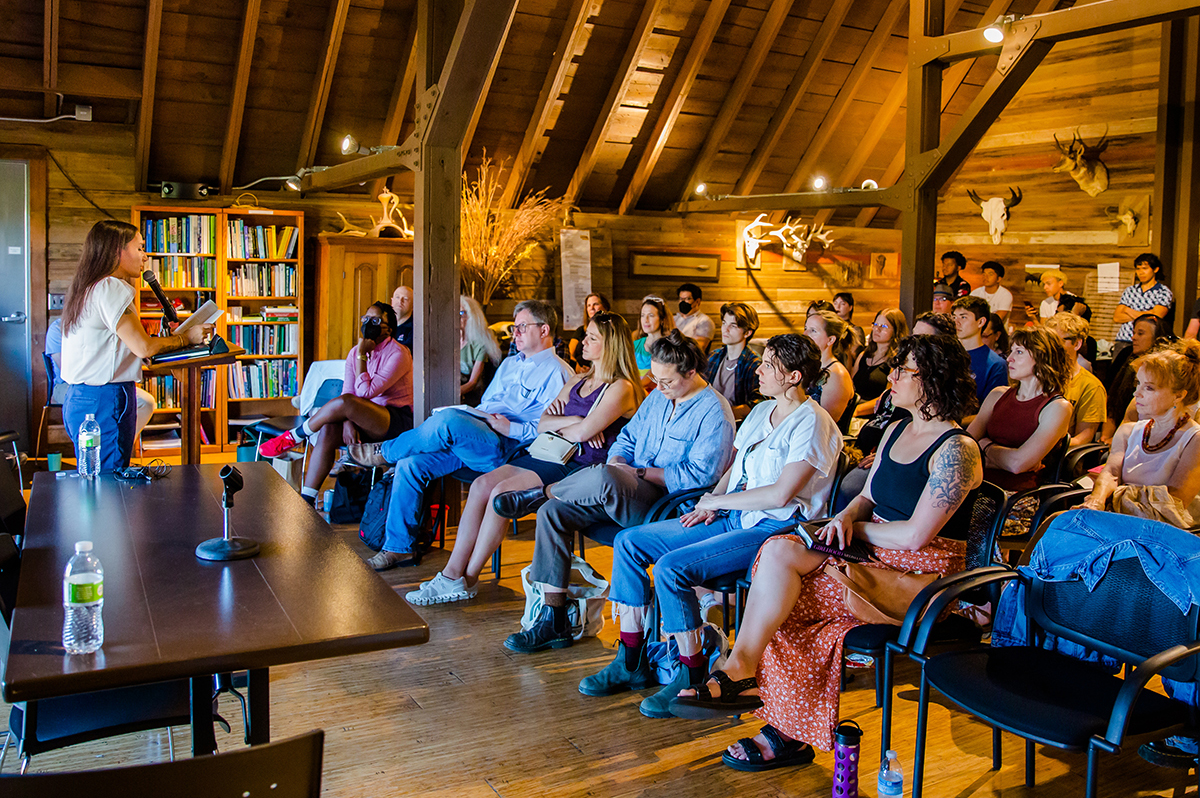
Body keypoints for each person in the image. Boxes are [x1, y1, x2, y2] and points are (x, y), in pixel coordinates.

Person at [670, 334, 982, 771]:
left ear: (931, 381)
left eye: (902, 370)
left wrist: (854, 529)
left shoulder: (957, 450)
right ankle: (745, 670)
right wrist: (846, 517)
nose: (890, 377)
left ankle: (779, 721)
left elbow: (914, 537)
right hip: (870, 553)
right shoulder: (896, 429)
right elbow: (867, 498)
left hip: (920, 576)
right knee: (777, 552)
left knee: (789, 602)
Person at [576, 334, 842, 717]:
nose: (760, 370)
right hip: (734, 516)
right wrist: (710, 502)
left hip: (775, 531)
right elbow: (737, 469)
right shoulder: (760, 411)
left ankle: (691, 672)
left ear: (795, 376)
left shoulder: (813, 422)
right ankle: (631, 659)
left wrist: (719, 501)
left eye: (768, 365)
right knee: (629, 542)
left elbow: (781, 494)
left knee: (671, 569)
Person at [500, 331, 735, 653]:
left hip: (668, 506)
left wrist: (634, 471)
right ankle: (553, 617)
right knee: (553, 513)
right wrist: (619, 459)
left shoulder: (714, 412)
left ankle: (545, 490)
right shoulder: (657, 398)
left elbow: (698, 476)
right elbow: (626, 437)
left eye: (666, 381)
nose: (659, 387)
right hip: (623, 488)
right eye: (656, 378)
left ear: (692, 373)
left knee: (608, 478)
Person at [405, 312, 644, 605]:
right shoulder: (580, 379)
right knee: (481, 485)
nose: (584, 341)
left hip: (579, 467)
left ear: (611, 345)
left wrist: (578, 425)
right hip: (549, 451)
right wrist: (579, 419)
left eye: (592, 338)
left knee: (500, 492)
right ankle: (453, 574)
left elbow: (583, 434)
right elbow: (544, 423)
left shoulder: (622, 387)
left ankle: (467, 577)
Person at [350, 299, 575, 570]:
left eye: (522, 327)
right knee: (411, 465)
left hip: (509, 448)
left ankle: (383, 452)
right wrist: (474, 415)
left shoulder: (558, 372)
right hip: (477, 436)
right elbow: (487, 404)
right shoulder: (510, 364)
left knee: (447, 420)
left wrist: (510, 428)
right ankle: (398, 548)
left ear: (544, 330)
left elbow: (552, 428)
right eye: (514, 327)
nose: (514, 333)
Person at [59, 220, 213, 471]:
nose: (145, 256)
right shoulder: (111, 287)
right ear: (116, 251)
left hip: (82, 398)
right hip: (106, 400)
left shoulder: (88, 287)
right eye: (139, 248)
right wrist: (188, 338)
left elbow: (118, 347)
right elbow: (143, 348)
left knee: (99, 479)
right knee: (109, 484)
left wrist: (165, 341)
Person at [259, 301, 414, 504]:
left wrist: (362, 356)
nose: (368, 323)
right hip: (362, 416)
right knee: (329, 428)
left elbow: (365, 392)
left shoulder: (398, 353)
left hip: (394, 419)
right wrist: (347, 423)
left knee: (347, 404)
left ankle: (297, 435)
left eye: (375, 320)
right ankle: (307, 500)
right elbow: (347, 393)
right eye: (365, 319)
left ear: (389, 328)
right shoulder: (354, 352)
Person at [1083, 341, 1200, 525]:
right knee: (1056, 523)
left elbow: (1176, 501)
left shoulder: (1194, 438)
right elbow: (1111, 472)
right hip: (1121, 519)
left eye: (1149, 387)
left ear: (1178, 395)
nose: (1136, 394)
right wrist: (1096, 500)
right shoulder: (1129, 431)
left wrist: (1115, 496)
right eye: (1138, 384)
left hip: (1165, 532)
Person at [968, 327, 1072, 492]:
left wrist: (984, 445)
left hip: (1016, 496)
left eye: (1019, 352)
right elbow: (964, 447)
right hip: (974, 484)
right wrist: (1004, 458)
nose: (1009, 359)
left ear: (1041, 357)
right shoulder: (998, 395)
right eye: (1011, 351)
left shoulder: (1057, 407)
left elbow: (1017, 464)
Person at [1044, 312, 1106, 447]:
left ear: (1077, 344)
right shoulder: (1038, 375)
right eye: (1048, 340)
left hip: (1058, 457)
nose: (1051, 346)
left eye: (1057, 341)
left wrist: (1043, 445)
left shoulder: (1091, 386)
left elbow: (1083, 438)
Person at [1104, 314, 1169, 443]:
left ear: (1157, 338)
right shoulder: (1125, 356)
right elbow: (1112, 401)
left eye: (1140, 333)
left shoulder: (1163, 370)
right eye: (1133, 333)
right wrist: (1106, 436)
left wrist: (1117, 439)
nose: (1133, 337)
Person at [706, 302, 763, 420]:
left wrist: (722, 414)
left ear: (747, 332)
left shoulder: (754, 364)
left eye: (733, 326)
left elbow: (760, 404)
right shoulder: (714, 356)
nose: (725, 329)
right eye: (724, 323)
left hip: (736, 425)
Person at [951, 296, 1009, 405]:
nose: (956, 322)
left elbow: (991, 410)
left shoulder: (995, 364)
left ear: (981, 322)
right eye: (954, 317)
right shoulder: (945, 354)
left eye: (963, 317)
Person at [803, 310, 855, 430]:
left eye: (813, 331)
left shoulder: (837, 374)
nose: (805, 334)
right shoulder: (811, 366)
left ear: (830, 340)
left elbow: (826, 422)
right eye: (805, 328)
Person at [1113, 253, 1173, 355]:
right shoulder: (1130, 290)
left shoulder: (1163, 292)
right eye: (1138, 269)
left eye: (1145, 268)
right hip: (1124, 339)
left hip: (1147, 342)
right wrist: (1145, 313)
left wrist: (1128, 310)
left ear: (1155, 269)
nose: (1141, 272)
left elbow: (1155, 317)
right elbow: (1117, 317)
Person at [852, 308, 907, 416]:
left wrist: (856, 411)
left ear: (896, 331)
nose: (877, 329)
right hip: (855, 410)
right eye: (876, 324)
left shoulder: (896, 361)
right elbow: (851, 386)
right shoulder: (864, 355)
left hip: (876, 415)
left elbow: (889, 397)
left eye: (884, 326)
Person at [460, 295, 501, 406]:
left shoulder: (480, 345)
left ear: (472, 316)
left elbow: (472, 382)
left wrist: (452, 394)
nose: (456, 318)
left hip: (471, 398)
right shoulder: (448, 342)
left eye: (461, 313)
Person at [633, 295, 673, 388]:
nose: (645, 320)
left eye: (651, 315)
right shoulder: (635, 345)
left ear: (662, 319)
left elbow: (649, 379)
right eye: (643, 315)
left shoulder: (669, 346)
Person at [568, 293, 610, 370]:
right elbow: (569, 353)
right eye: (589, 305)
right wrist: (578, 367)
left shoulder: (611, 330)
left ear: (605, 307)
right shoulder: (581, 330)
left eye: (596, 304)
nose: (592, 308)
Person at [674, 283, 715, 351]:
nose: (683, 302)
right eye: (681, 299)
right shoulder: (674, 319)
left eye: (687, 299)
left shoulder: (704, 321)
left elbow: (698, 348)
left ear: (697, 301)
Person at [832, 291, 864, 362]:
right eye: (835, 303)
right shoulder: (831, 327)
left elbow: (855, 354)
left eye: (842, 304)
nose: (838, 307)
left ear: (850, 307)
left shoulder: (856, 329)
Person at [391, 286, 413, 350]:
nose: (400, 301)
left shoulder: (415, 330)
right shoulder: (384, 326)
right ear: (392, 301)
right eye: (397, 297)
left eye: (405, 299)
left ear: (413, 305)